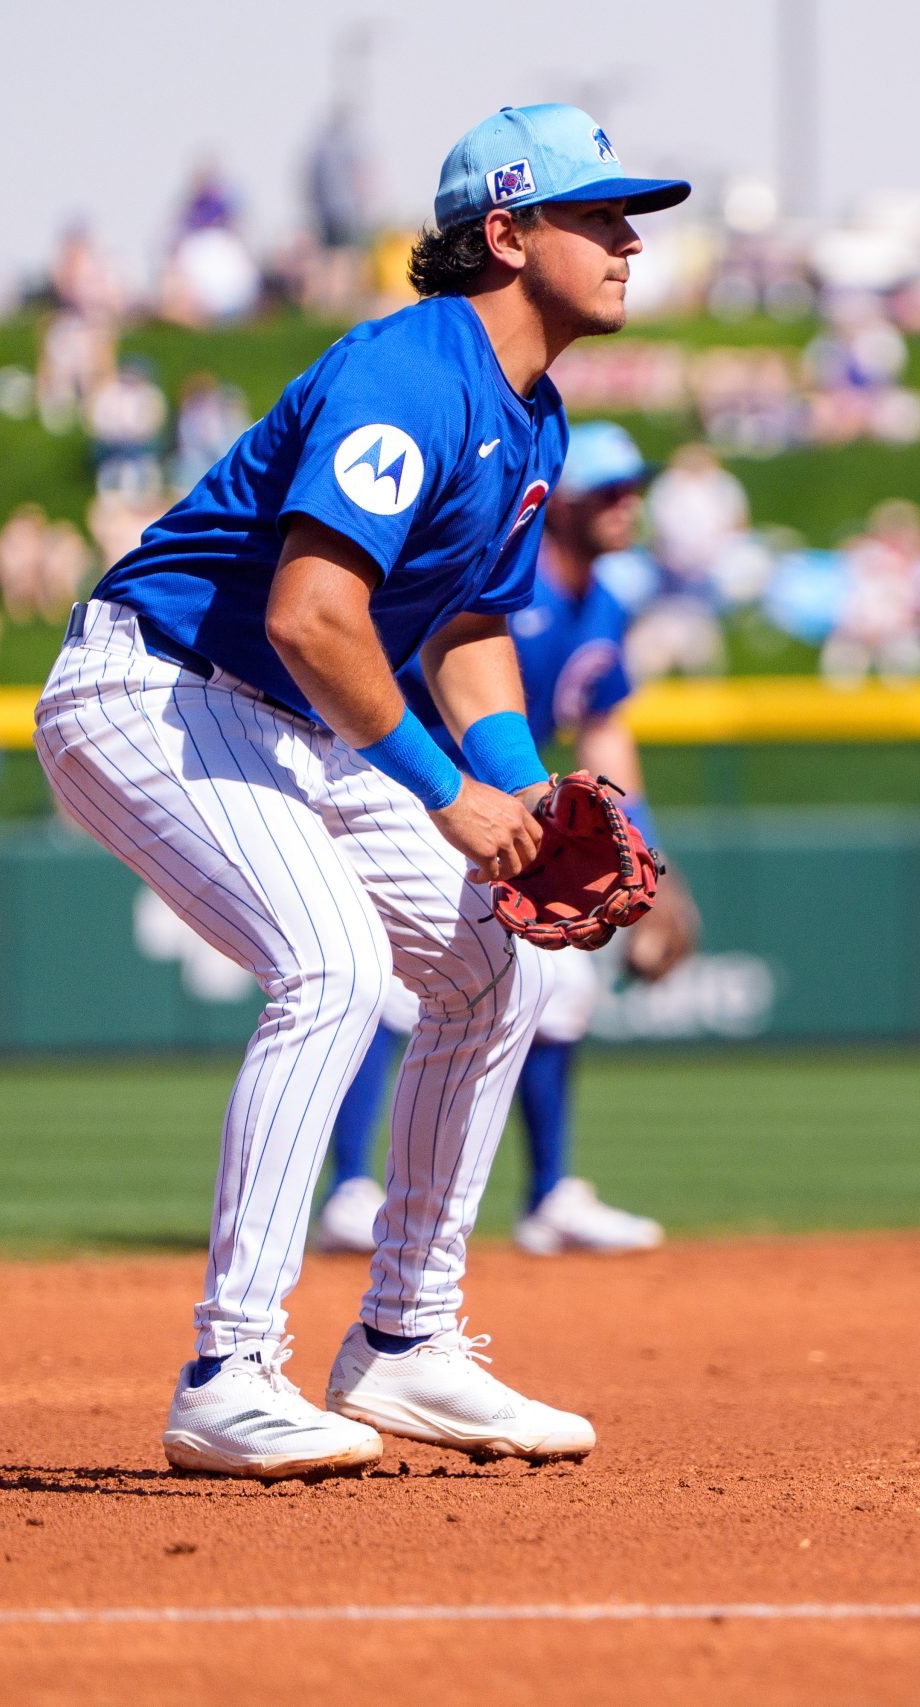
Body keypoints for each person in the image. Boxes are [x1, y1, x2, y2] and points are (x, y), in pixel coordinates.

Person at [32, 104, 690, 1481]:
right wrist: (451, 793)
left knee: (492, 966)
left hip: (295, 719)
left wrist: (524, 792)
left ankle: (406, 1335)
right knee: (330, 962)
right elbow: (314, 615)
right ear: (507, 236)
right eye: (598, 215)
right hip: (156, 688)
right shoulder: (413, 374)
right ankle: (229, 1369)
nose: (631, 238)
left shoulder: (534, 413)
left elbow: (466, 627)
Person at [314, 420, 695, 1260]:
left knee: (560, 986)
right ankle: (349, 1191)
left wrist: (657, 870)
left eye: (635, 488)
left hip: (490, 819)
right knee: (375, 983)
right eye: (608, 490)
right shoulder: (492, 579)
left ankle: (549, 1195)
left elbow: (605, 739)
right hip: (399, 789)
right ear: (555, 504)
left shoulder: (603, 606)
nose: (627, 504)